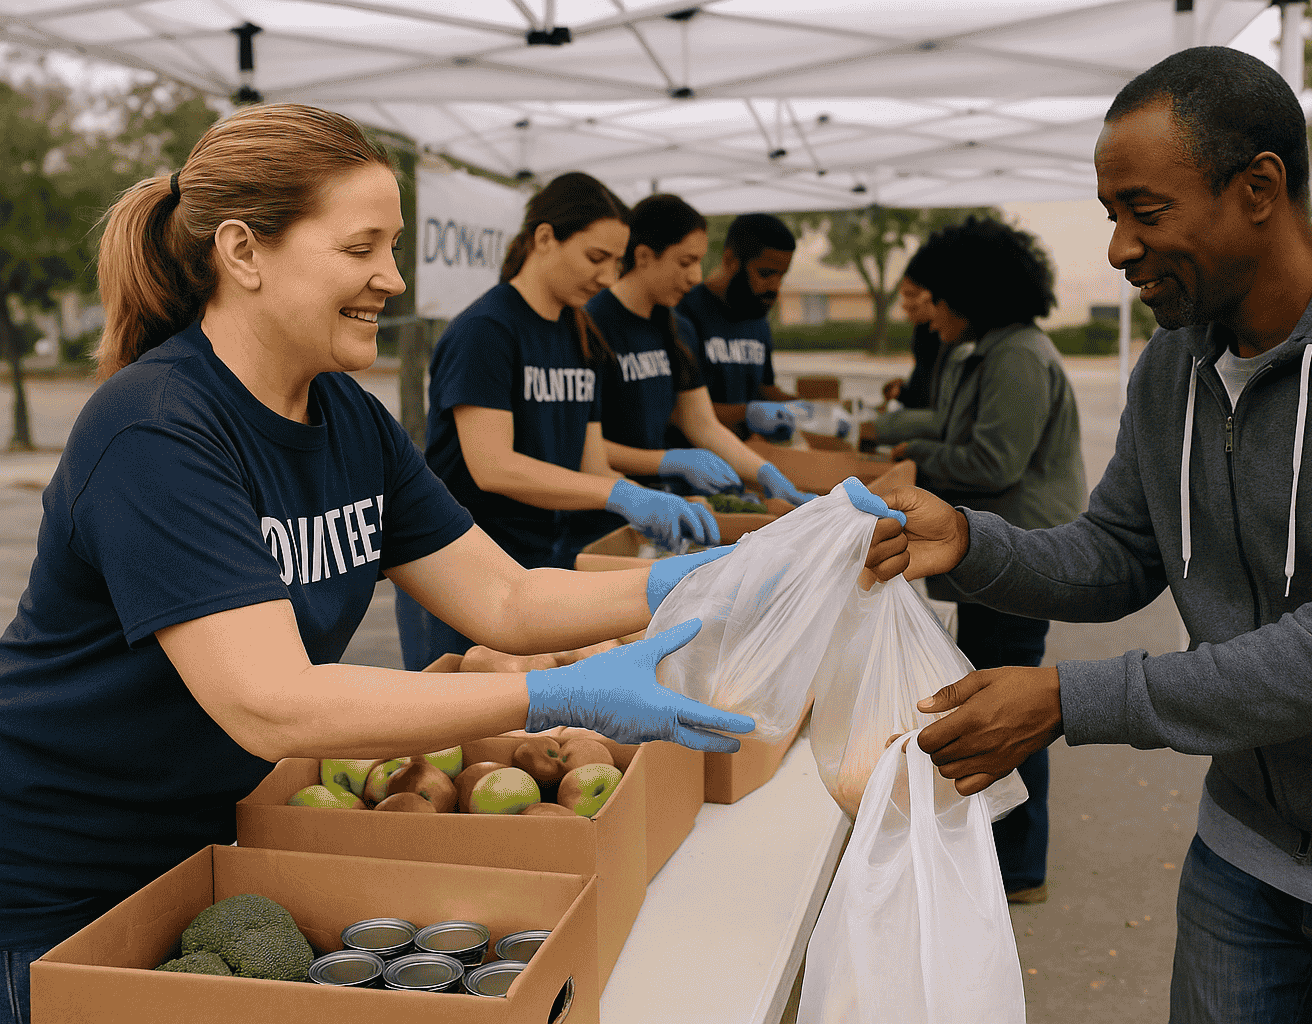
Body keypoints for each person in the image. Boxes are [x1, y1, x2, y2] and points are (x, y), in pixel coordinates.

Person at [0, 105, 775, 1024]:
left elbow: (506, 596)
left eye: (395, 246)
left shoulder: (350, 419)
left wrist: (720, 577)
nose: (392, 279)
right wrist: (550, 697)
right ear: (244, 253)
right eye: (362, 247)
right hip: (58, 887)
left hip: (212, 855)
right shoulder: (156, 429)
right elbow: (271, 701)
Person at [866, 46, 1312, 1022]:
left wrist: (1067, 697)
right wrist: (970, 542)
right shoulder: (1173, 364)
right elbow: (1116, 554)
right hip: (1250, 847)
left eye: (1146, 211)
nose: (1119, 249)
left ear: (1258, 187)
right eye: (1111, 217)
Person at [394, 172, 719, 671]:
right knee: (455, 731)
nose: (608, 278)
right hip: (462, 573)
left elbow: (593, 465)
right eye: (596, 258)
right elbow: (493, 466)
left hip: (539, 573)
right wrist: (620, 495)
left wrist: (649, 497)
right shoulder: (486, 330)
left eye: (616, 261)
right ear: (544, 239)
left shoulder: (580, 332)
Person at [865, 217, 1086, 905]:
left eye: (939, 298)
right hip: (992, 551)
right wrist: (909, 440)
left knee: (1009, 708)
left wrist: (917, 459)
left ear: (975, 295)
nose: (929, 314)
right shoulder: (983, 352)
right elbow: (952, 431)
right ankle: (1000, 852)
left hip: (1020, 554)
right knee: (985, 690)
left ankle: (1018, 867)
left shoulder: (1018, 355)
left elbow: (992, 460)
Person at [585, 193, 817, 507]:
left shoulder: (677, 328)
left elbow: (701, 423)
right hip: (606, 503)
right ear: (643, 257)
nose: (695, 277)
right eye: (685, 262)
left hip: (664, 501)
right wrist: (669, 461)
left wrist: (766, 474)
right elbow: (583, 445)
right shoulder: (593, 324)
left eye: (698, 261)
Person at [674, 212, 805, 441]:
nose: (774, 287)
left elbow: (765, 389)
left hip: (749, 452)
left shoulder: (757, 316)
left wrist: (807, 409)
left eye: (782, 276)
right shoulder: (684, 312)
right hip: (697, 455)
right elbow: (677, 409)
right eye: (765, 274)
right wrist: (748, 413)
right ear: (730, 261)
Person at [880, 275, 943, 410]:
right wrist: (901, 391)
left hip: (936, 417)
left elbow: (929, 399)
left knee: (883, 423)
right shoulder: (922, 330)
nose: (904, 304)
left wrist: (902, 393)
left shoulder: (943, 335)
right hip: (926, 411)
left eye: (911, 295)